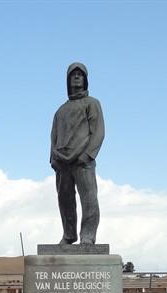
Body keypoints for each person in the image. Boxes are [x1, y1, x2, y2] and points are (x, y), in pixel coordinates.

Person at [50, 62, 105, 245]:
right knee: (64, 199)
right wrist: (53, 158)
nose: (76, 77)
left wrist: (88, 155)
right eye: (73, 74)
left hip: (83, 161)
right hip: (62, 163)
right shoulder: (60, 110)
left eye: (80, 74)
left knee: (89, 198)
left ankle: (88, 235)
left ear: (85, 79)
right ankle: (69, 234)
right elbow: (54, 135)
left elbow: (98, 132)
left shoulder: (92, 104)